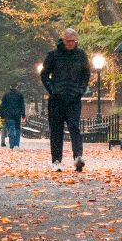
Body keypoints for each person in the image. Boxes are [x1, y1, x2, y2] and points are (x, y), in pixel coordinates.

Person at [40, 27, 90, 172]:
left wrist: (80, 90)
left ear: (76, 41)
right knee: (56, 130)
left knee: (75, 127)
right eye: (68, 41)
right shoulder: (53, 55)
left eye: (73, 41)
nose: (70, 44)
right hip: (56, 100)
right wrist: (52, 90)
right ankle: (56, 160)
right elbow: (44, 75)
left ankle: (78, 157)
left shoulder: (81, 55)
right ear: (63, 40)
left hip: (73, 98)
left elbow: (86, 75)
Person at [0, 84, 25, 148]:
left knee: (10, 128)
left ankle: (11, 144)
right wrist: (23, 115)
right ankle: (16, 144)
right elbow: (22, 105)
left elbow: (2, 106)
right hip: (17, 114)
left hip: (9, 114)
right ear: (16, 87)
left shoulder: (6, 95)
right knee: (18, 128)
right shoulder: (20, 95)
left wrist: (2, 116)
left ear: (10, 87)